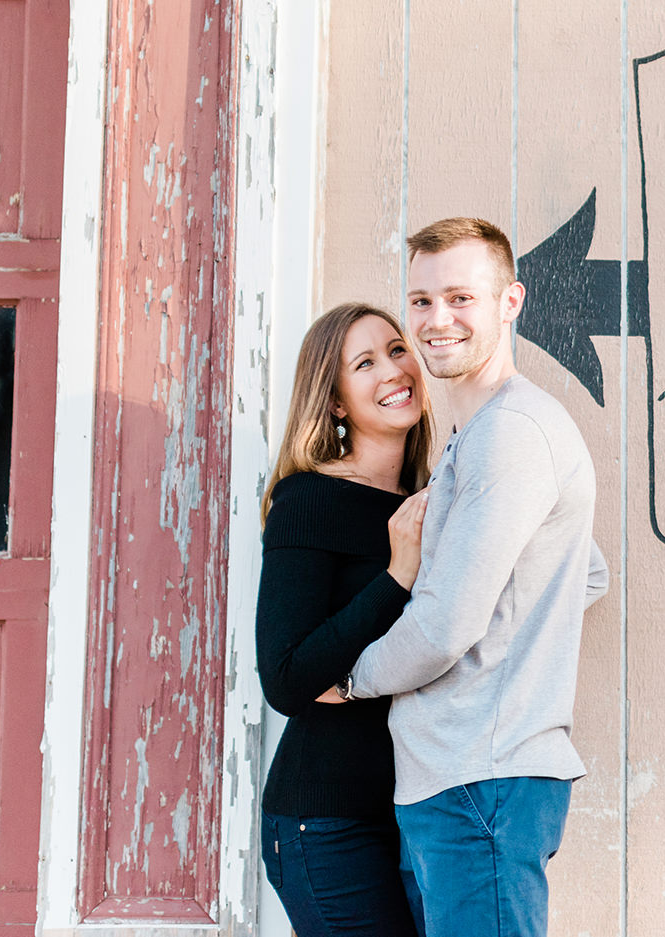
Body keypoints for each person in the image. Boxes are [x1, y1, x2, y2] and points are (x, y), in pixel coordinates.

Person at [332, 217, 610, 937]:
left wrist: (351, 676)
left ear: (509, 302)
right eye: (421, 300)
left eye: (461, 296)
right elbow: (586, 571)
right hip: (453, 776)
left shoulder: (513, 433)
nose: (436, 319)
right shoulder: (476, 435)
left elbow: (445, 625)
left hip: (481, 781)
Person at [256, 302, 435, 937]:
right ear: (334, 403)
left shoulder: (429, 498)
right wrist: (396, 577)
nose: (394, 369)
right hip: (326, 822)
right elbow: (285, 679)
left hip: (415, 814)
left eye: (396, 349)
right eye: (365, 363)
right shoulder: (308, 500)